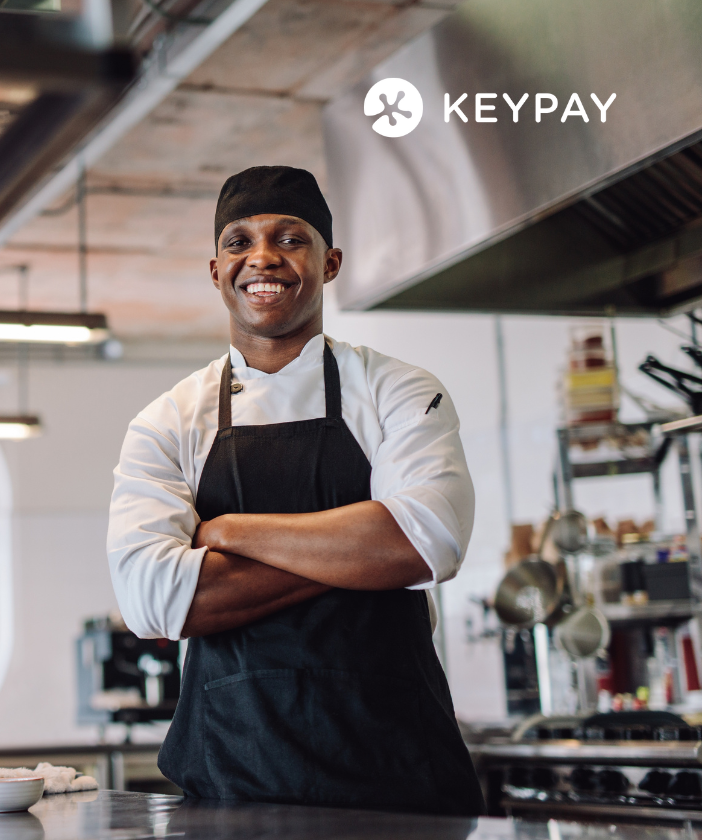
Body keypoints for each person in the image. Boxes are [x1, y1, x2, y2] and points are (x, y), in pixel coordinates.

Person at [106, 166, 484, 815]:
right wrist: (362, 551)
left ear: (330, 261)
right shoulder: (168, 420)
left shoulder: (398, 390)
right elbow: (152, 599)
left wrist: (230, 532)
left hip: (398, 780)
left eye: (289, 238)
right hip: (231, 781)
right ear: (216, 268)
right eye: (239, 241)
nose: (262, 257)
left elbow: (429, 543)